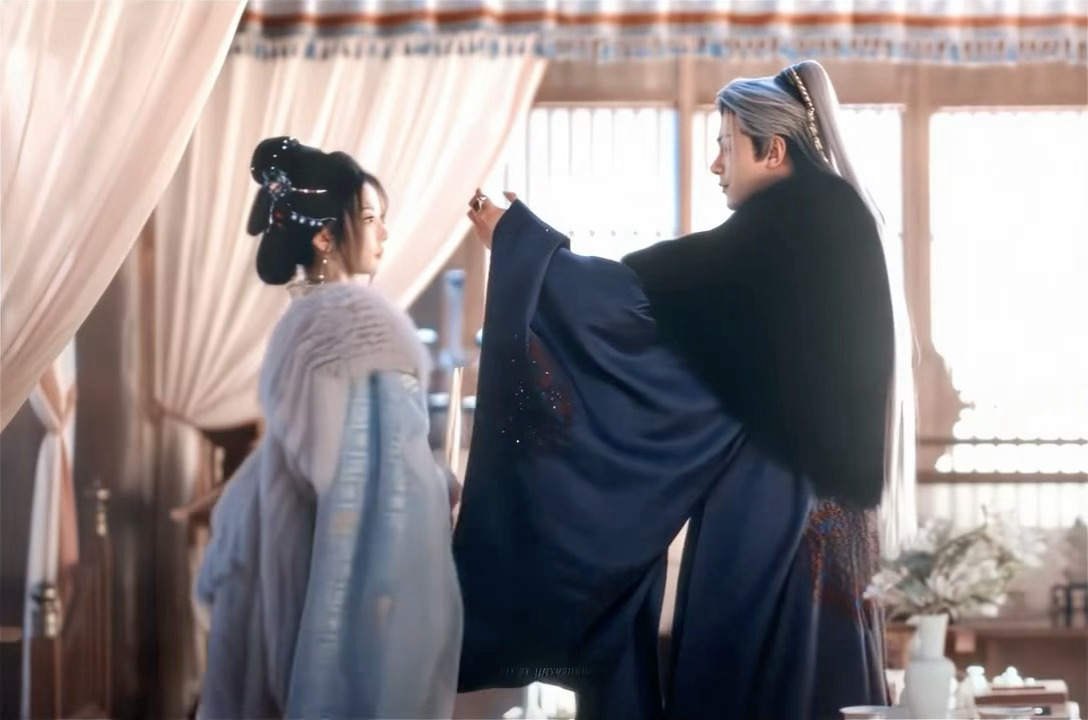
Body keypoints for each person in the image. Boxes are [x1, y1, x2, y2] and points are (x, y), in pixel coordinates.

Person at [452, 60, 914, 720]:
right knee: (819, 672)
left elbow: (635, 308)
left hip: (768, 503)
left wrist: (523, 247)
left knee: (751, 675)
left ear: (773, 150)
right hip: (834, 517)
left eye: (727, 145)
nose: (716, 165)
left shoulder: (785, 228)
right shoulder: (837, 220)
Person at [194, 137, 462, 719]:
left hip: (284, 546)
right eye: (368, 218)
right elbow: (363, 474)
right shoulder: (350, 324)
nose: (383, 232)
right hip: (323, 559)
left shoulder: (308, 319)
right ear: (323, 236)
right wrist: (436, 483)